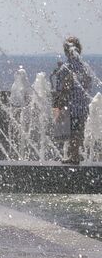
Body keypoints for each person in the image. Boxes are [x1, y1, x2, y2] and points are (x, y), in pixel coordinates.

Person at [51, 36, 94, 164]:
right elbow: (88, 85)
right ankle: (75, 154)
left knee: (72, 132)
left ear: (66, 51)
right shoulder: (85, 67)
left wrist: (58, 106)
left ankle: (74, 156)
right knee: (78, 131)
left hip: (70, 106)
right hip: (83, 105)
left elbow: (60, 89)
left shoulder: (66, 68)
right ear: (79, 50)